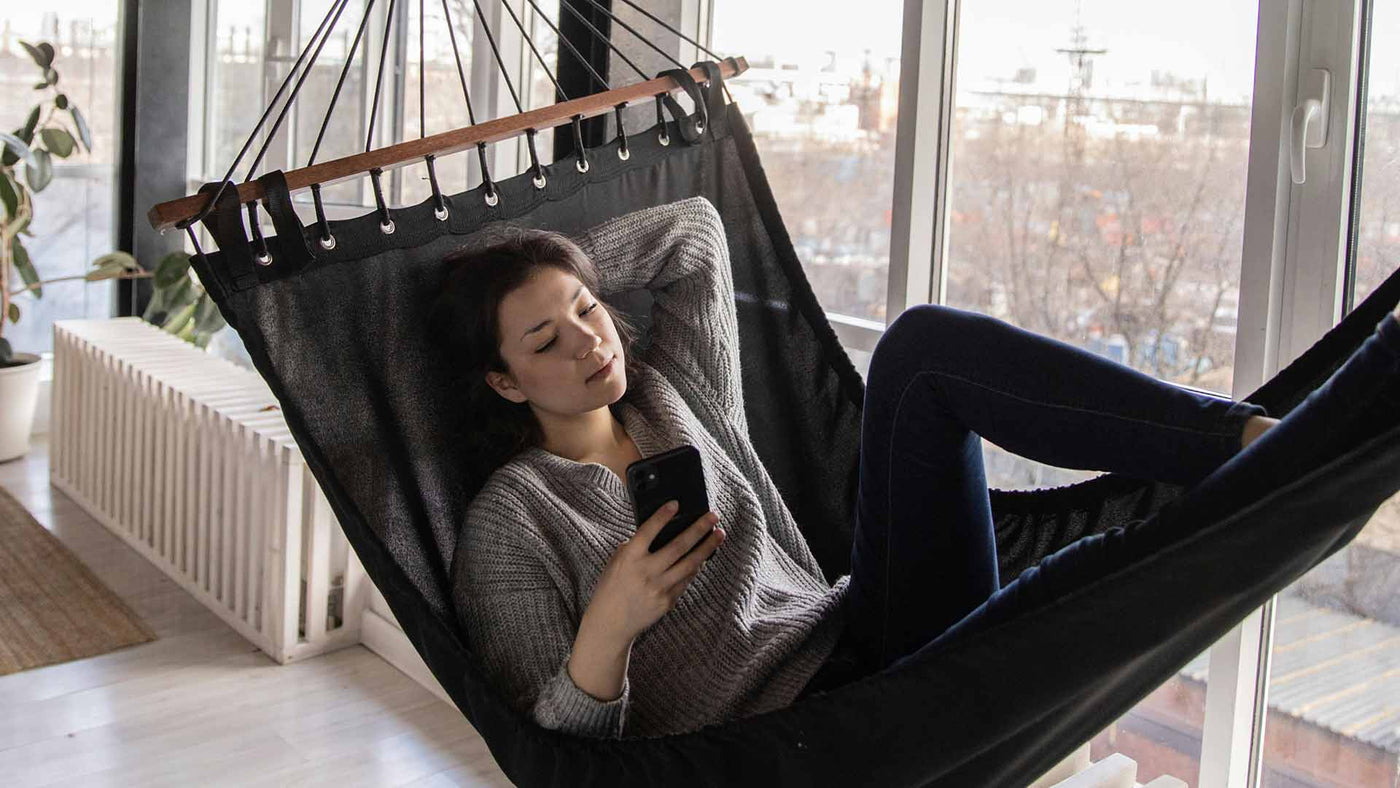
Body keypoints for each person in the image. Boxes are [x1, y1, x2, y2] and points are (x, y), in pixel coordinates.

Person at [433, 195, 1397, 740]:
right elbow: (558, 750)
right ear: (503, 381)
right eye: (543, 340)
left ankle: (1244, 441)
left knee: (923, 349)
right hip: (803, 740)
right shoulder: (512, 523)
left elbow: (694, 230)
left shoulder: (674, 391)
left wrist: (540, 264)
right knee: (1080, 590)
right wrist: (611, 628)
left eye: (590, 310)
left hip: (871, 628)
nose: (588, 344)